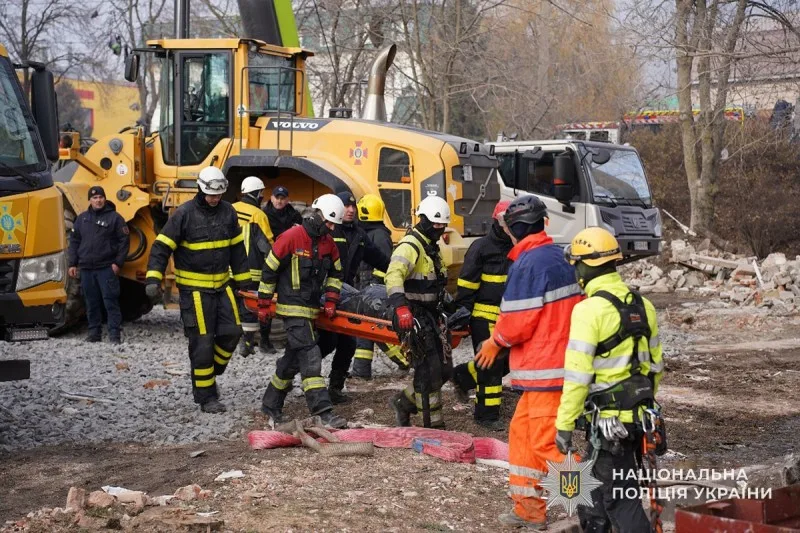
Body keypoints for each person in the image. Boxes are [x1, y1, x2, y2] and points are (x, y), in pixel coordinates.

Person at [473, 194, 583, 529]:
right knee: (522, 438)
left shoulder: (530, 262)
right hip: (548, 369)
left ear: (514, 227)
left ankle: (593, 505)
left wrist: (495, 341)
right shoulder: (553, 256)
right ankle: (528, 510)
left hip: (547, 370)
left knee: (546, 444)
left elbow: (519, 320)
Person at [555, 227, 664, 533]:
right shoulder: (645, 306)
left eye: (576, 262)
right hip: (638, 420)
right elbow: (655, 367)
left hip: (610, 424)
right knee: (588, 493)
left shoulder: (589, 311)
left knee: (619, 500)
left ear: (586, 265)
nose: (574, 268)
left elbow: (577, 376)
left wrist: (564, 424)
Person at [145, 166, 250, 414]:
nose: (215, 199)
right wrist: (153, 279)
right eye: (211, 195)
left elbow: (237, 249)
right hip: (194, 291)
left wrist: (245, 283)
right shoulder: (184, 214)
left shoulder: (228, 212)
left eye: (218, 195)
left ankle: (212, 371)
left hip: (222, 286)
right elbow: (161, 247)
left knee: (233, 331)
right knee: (202, 343)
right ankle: (206, 397)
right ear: (201, 190)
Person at [258, 193, 347, 428]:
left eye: (334, 225)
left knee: (293, 359)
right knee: (310, 355)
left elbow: (337, 274)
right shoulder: (292, 237)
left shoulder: (329, 244)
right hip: (292, 309)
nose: (330, 228)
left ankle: (270, 403)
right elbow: (270, 269)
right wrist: (264, 303)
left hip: (312, 311)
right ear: (316, 215)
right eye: (328, 223)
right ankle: (323, 412)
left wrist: (331, 299)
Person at [386, 195, 452, 429]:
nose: (439, 229)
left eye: (442, 225)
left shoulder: (431, 247)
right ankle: (432, 426)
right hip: (412, 316)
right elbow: (393, 275)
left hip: (431, 316)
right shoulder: (411, 246)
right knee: (429, 372)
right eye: (435, 225)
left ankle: (403, 403)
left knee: (444, 369)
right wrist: (401, 307)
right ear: (423, 220)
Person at [318, 191, 391, 404]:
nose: (350, 210)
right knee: (322, 345)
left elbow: (379, 259)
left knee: (348, 344)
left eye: (353, 207)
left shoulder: (359, 235)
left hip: (344, 296)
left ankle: (335, 389)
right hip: (323, 294)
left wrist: (399, 272)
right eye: (345, 206)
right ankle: (296, 383)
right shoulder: (330, 230)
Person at [451, 200, 513, 431]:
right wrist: (463, 316)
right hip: (483, 317)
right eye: (507, 222)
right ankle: (486, 415)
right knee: (491, 365)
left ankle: (463, 376)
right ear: (497, 222)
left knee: (509, 361)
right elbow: (466, 285)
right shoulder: (481, 248)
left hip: (507, 319)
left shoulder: (517, 248)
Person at [350, 194, 408, 380]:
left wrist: (374, 288)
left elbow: (385, 267)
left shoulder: (379, 236)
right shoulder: (369, 232)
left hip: (372, 290)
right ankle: (361, 370)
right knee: (366, 329)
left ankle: (406, 360)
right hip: (365, 288)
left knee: (376, 330)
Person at [67, 186, 130, 344]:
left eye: (101, 197)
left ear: (105, 199)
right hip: (86, 269)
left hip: (106, 268)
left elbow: (124, 241)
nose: (98, 200)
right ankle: (94, 334)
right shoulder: (82, 219)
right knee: (91, 302)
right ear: (90, 200)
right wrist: (72, 263)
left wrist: (118, 263)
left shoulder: (115, 218)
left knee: (110, 302)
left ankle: (114, 336)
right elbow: (74, 242)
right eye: (95, 198)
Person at [232, 177, 274, 357]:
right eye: (261, 194)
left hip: (228, 269)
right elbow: (267, 245)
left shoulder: (230, 209)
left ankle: (230, 341)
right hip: (251, 271)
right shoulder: (258, 215)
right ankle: (247, 342)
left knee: (231, 306)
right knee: (249, 306)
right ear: (257, 194)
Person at [260, 185, 303, 353]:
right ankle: (264, 340)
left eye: (282, 198)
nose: (279, 201)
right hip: (269, 262)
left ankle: (290, 339)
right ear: (271, 198)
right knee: (266, 301)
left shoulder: (294, 215)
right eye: (277, 197)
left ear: (287, 199)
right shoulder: (263, 215)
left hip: (289, 264)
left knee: (290, 302)